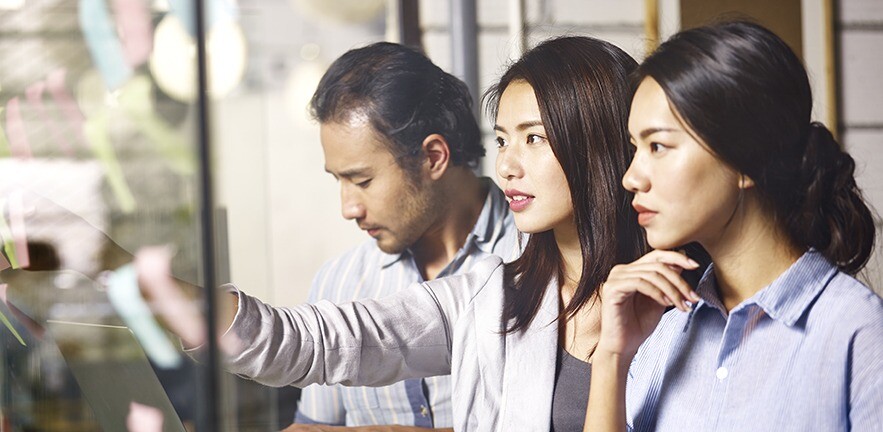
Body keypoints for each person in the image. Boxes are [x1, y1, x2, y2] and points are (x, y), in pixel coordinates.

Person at [140, 35, 644, 431]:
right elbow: (312, 342)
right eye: (501, 140)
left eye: (533, 138)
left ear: (594, 143)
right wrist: (156, 287)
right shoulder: (488, 296)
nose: (508, 165)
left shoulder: (676, 299)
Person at [585, 21, 883, 432]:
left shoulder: (858, 332)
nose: (631, 178)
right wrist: (612, 359)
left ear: (746, 157)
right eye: (636, 149)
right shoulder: (668, 330)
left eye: (658, 146)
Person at [292, 42, 519, 430]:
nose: (348, 208)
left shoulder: (538, 260)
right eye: (339, 180)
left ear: (433, 157)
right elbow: (314, 426)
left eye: (362, 180)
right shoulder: (338, 282)